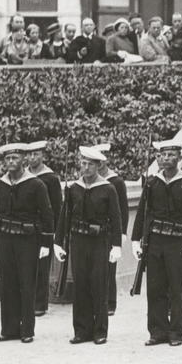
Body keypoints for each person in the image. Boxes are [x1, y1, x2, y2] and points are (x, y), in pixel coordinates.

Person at [131, 140, 182, 347]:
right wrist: (136, 239)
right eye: (163, 155)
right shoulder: (152, 183)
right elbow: (143, 214)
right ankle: (157, 332)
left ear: (180, 158)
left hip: (177, 242)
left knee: (177, 289)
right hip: (155, 242)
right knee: (155, 288)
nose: (166, 159)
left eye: (171, 155)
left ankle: (176, 333)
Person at [53, 146, 124, 345]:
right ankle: (81, 330)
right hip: (78, 241)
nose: (85, 167)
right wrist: (58, 242)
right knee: (80, 284)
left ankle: (100, 331)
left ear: (98, 165)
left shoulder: (107, 188)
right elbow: (64, 217)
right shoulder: (74, 188)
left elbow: (116, 218)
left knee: (99, 284)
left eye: (90, 164)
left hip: (99, 241)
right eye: (83, 163)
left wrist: (116, 245)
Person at [0, 143, 54, 343]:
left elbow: (47, 215)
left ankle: (27, 331)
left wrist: (45, 244)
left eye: (15, 158)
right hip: (5, 239)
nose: (11, 162)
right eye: (7, 159)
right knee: (7, 284)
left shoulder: (36, 185)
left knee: (26, 283)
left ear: (23, 160)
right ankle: (8, 329)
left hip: (27, 240)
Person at [24, 141, 62, 317]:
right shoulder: (22, 175)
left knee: (41, 266)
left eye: (36, 154)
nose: (32, 158)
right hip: (26, 226)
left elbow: (56, 206)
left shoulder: (50, 178)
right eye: (30, 154)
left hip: (43, 226)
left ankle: (40, 304)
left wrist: (55, 232)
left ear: (42, 156)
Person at [92, 143, 129, 315]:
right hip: (92, 231)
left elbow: (123, 209)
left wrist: (121, 233)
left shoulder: (116, 181)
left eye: (102, 159)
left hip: (109, 229)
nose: (99, 163)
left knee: (109, 267)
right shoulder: (88, 181)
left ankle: (110, 303)